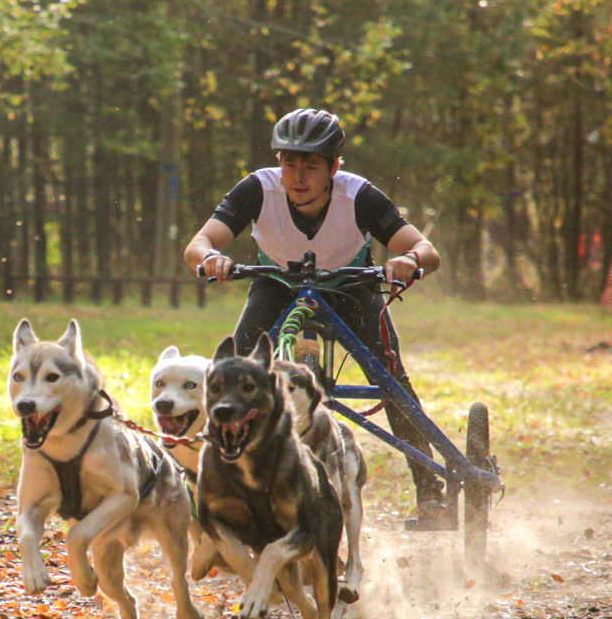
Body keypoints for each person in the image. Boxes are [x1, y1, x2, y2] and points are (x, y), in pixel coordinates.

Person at [183, 107, 448, 526]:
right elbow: (199, 243)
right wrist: (212, 258)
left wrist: (407, 260)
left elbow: (426, 251)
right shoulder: (257, 189)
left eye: (311, 165)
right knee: (232, 371)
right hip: (276, 284)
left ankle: (431, 496)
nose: (299, 175)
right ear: (279, 163)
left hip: (352, 284)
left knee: (391, 380)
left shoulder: (359, 195)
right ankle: (224, 484)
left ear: (334, 168)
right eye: (290, 163)